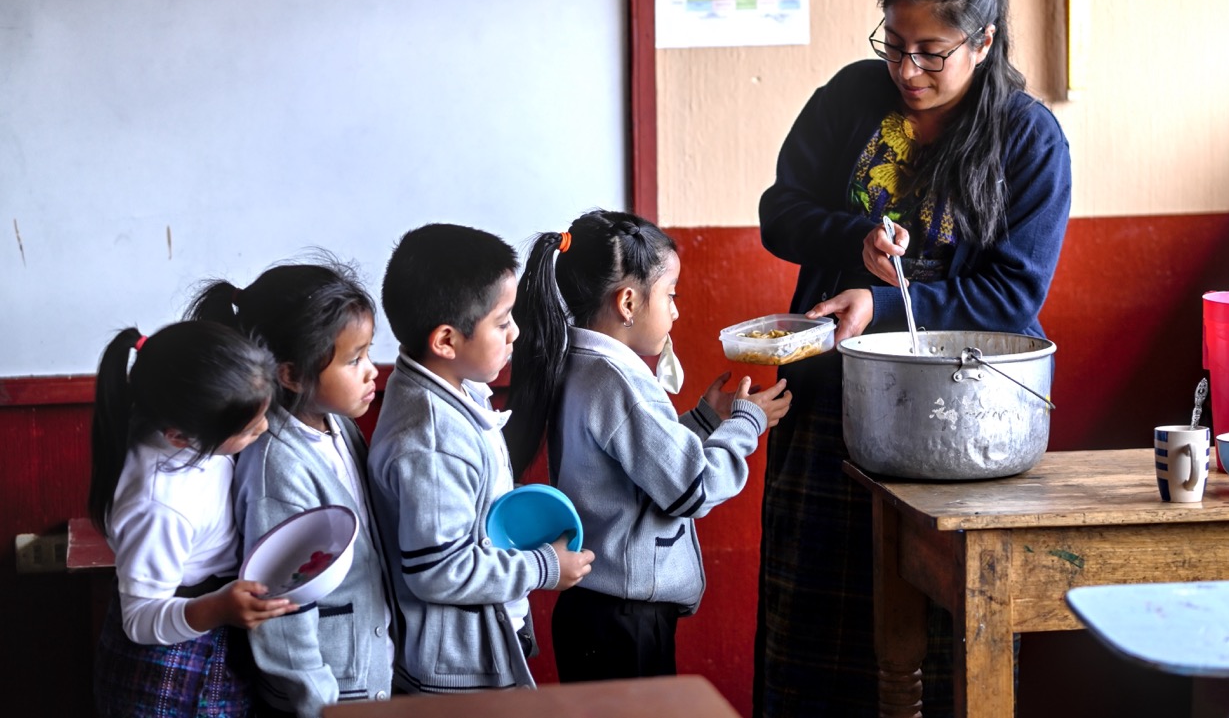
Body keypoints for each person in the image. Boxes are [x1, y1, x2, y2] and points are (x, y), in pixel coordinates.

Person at [753, 0, 1072, 718]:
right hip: (834, 394)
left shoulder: (1026, 141)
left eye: (931, 53)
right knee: (811, 636)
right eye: (893, 45)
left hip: (960, 420)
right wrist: (853, 238)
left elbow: (1010, 295)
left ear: (984, 41)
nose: (907, 70)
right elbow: (779, 211)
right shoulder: (852, 100)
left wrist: (882, 306)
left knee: (944, 642)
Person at [505, 208, 792, 682]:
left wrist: (704, 420)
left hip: (594, 610)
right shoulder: (621, 382)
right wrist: (745, 424)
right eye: (670, 295)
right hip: (625, 620)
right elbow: (691, 488)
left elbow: (642, 465)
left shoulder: (579, 362)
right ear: (628, 303)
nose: (676, 310)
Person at [367, 222, 595, 694]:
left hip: (480, 639)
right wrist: (544, 567)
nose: (516, 332)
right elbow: (437, 571)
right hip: (453, 670)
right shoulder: (431, 440)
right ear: (447, 341)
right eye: (502, 320)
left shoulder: (456, 385)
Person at [188, 259, 396, 716]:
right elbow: (280, 609)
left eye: (368, 352)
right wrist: (317, 704)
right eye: (353, 359)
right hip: (328, 692)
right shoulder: (277, 471)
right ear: (291, 375)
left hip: (364, 671)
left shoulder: (339, 426)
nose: (371, 371)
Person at [88, 321, 296, 718]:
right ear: (180, 436)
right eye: (250, 430)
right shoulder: (160, 506)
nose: (265, 429)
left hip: (207, 619)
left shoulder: (187, 426)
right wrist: (217, 609)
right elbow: (139, 619)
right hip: (169, 660)